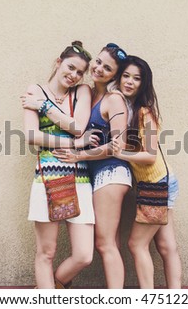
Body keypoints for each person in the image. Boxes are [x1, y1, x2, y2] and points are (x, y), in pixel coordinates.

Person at [52, 43, 132, 288]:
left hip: (111, 172)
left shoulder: (114, 99)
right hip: (96, 175)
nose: (98, 68)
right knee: (110, 242)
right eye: (98, 62)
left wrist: (80, 156)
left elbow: (119, 145)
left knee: (105, 243)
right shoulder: (87, 93)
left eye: (107, 68)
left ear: (115, 75)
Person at [21, 41, 96, 289]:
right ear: (58, 62)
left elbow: (79, 127)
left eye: (79, 72)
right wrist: (75, 143)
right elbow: (32, 136)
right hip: (46, 180)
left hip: (80, 181)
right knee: (47, 252)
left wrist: (43, 107)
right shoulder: (35, 89)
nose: (74, 75)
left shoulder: (82, 91)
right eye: (70, 67)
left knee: (84, 255)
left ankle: (49, 288)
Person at [111, 55, 182, 289]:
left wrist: (120, 154)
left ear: (144, 83)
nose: (130, 81)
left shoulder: (145, 112)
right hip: (159, 181)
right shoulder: (126, 107)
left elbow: (150, 155)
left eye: (137, 78)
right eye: (126, 76)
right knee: (166, 245)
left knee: (136, 244)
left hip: (157, 182)